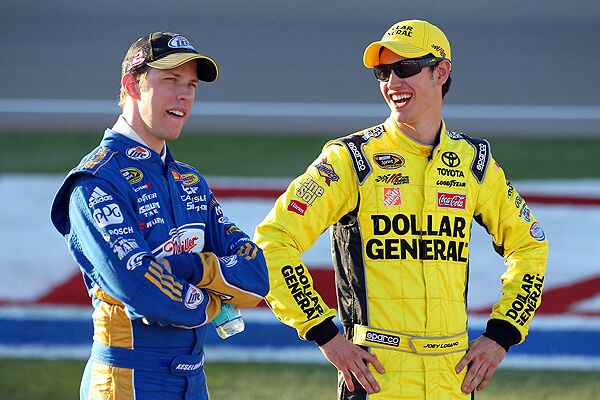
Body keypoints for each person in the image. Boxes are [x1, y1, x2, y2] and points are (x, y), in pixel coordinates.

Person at [254, 19, 548, 399]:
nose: (392, 82)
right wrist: (324, 333)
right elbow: (272, 241)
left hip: (453, 379)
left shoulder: (474, 162)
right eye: (383, 71)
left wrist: (502, 334)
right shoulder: (351, 160)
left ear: (441, 72)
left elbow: (529, 244)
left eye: (405, 68)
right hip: (377, 377)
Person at [50, 32, 269, 400]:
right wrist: (213, 302)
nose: (185, 95)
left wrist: (192, 268)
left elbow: (257, 275)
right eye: (171, 80)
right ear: (131, 86)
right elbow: (139, 289)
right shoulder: (97, 181)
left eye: (191, 85)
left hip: (193, 380)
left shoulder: (190, 181)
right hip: (127, 380)